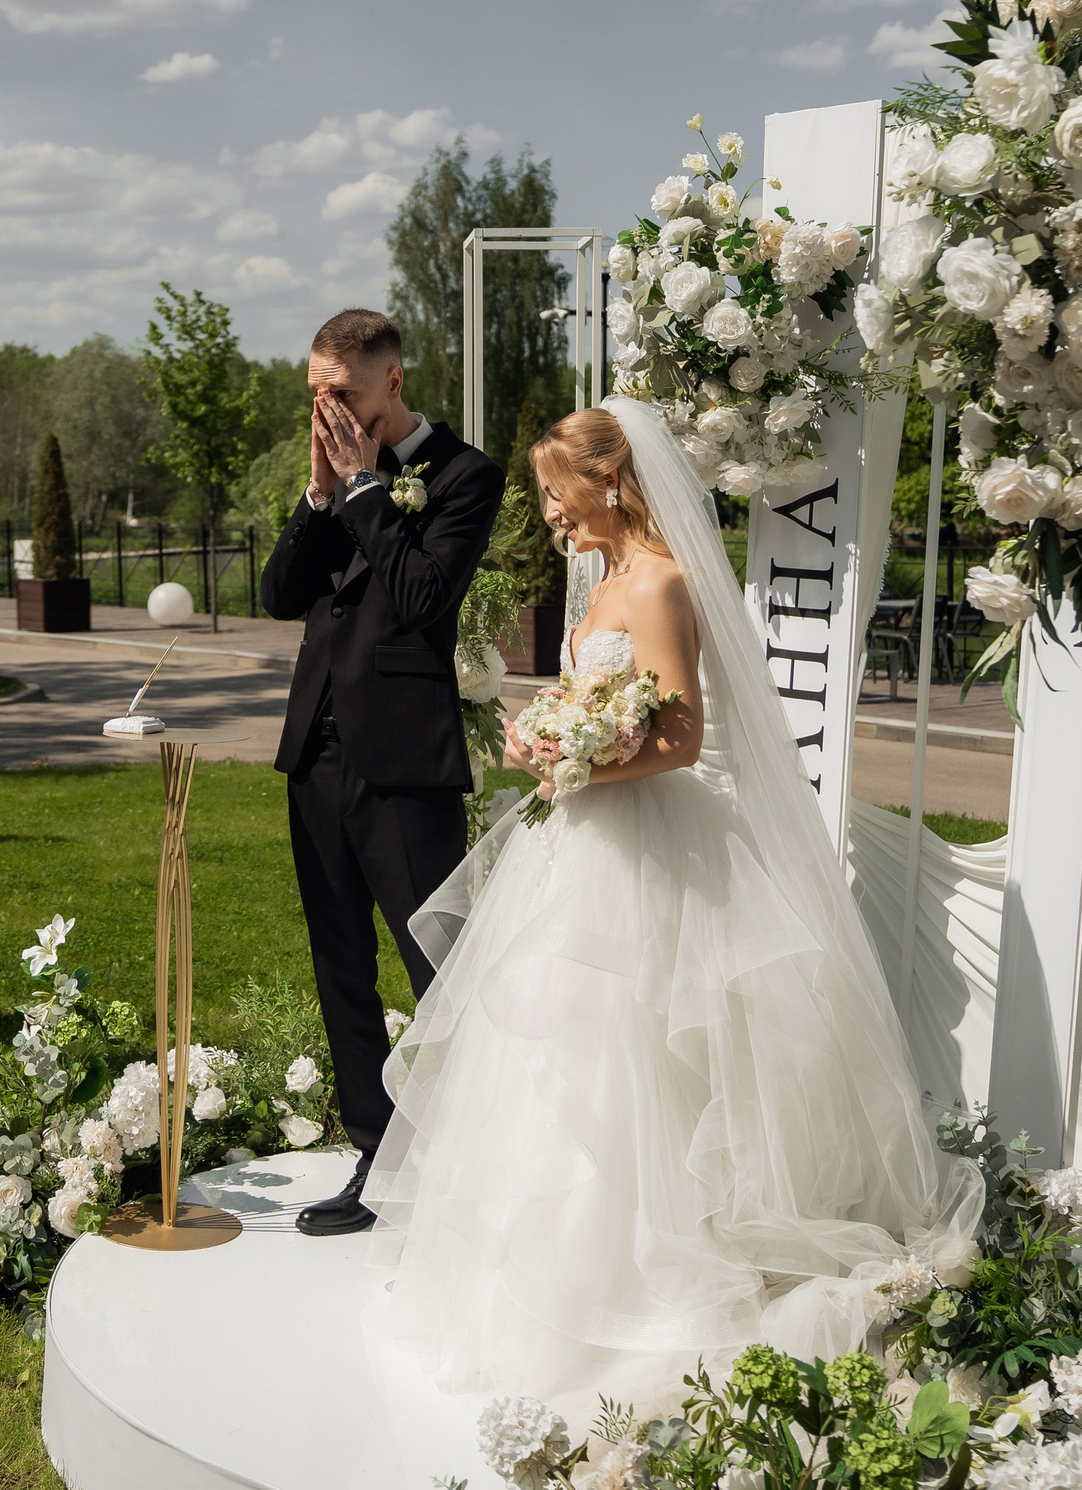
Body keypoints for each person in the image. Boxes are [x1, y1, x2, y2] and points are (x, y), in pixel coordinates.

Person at [360, 403, 980, 1411]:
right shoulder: (604, 581)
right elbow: (594, 706)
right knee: (558, 1058)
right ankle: (540, 1282)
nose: (551, 515)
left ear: (610, 484)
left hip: (649, 846)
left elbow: (682, 738)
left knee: (645, 1054)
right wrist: (541, 741)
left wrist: (578, 757)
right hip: (578, 841)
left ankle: (654, 1284)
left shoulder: (662, 583)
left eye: (558, 495)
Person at [256, 307, 504, 1237]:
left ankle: (480, 1148)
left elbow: (420, 599)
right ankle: (377, 1150)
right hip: (314, 758)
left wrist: (364, 487)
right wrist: (321, 497)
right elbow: (281, 598)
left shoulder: (465, 474)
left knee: (436, 962)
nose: (327, 412)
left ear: (391, 383)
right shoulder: (336, 480)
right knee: (340, 964)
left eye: (342, 395)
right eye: (315, 395)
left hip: (405, 763)